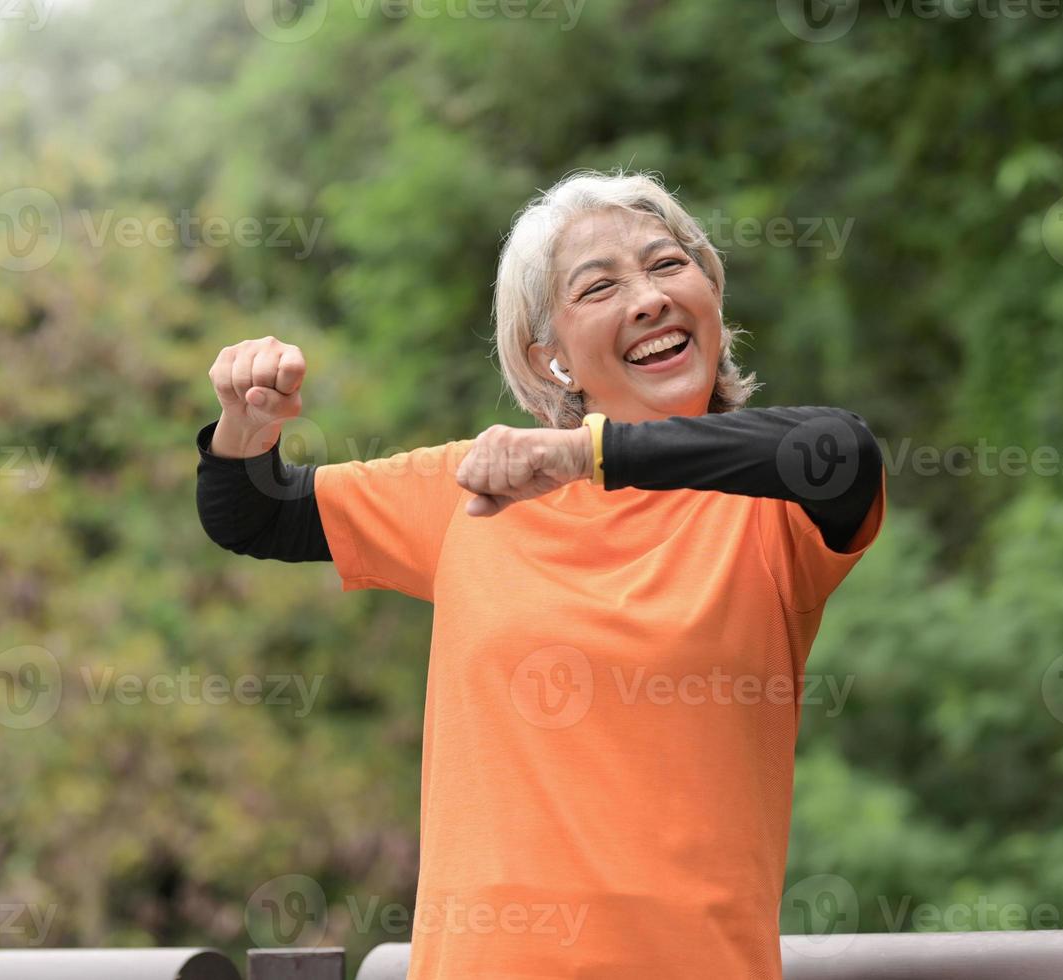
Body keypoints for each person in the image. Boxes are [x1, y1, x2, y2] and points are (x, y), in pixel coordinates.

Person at [195, 170, 886, 979]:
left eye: (668, 265)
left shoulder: (766, 509)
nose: (648, 298)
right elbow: (254, 511)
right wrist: (245, 424)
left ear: (712, 299)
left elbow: (842, 452)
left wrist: (585, 454)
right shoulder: (473, 487)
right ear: (549, 358)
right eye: (599, 286)